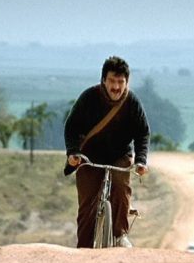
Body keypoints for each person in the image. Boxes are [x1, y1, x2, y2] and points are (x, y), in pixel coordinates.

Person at [64, 56, 150, 248]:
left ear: (127, 82)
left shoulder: (132, 102)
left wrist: (141, 160)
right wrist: (73, 152)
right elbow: (71, 127)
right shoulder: (88, 98)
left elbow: (143, 133)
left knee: (121, 186)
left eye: (121, 82)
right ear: (103, 80)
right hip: (89, 156)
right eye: (112, 81)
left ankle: (120, 235)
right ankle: (84, 248)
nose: (116, 87)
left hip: (119, 155)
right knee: (88, 203)